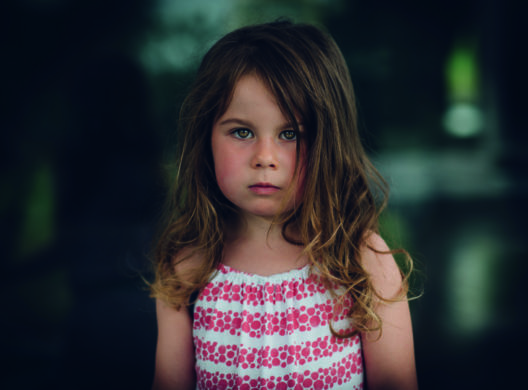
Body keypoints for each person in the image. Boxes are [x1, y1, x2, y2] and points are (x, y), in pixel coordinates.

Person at [150, 20, 417, 390]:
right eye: (241, 132)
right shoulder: (189, 270)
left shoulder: (361, 262)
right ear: (205, 138)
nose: (265, 157)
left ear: (328, 141)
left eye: (290, 134)